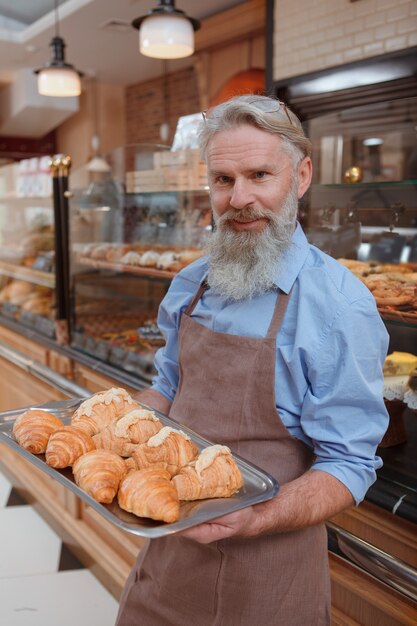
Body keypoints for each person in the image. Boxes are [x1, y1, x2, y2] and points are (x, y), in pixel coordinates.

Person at [116, 95, 389, 626]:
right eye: (223, 179)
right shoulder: (189, 285)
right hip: (171, 548)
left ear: (302, 176)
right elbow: (166, 390)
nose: (239, 198)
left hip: (271, 569)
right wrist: (116, 425)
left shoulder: (339, 306)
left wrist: (258, 517)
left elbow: (350, 464)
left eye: (260, 174)